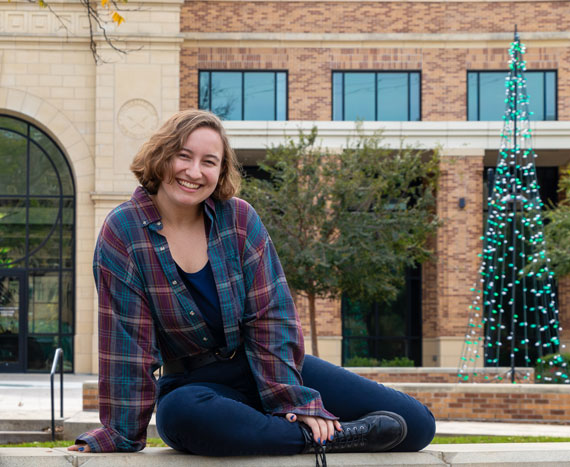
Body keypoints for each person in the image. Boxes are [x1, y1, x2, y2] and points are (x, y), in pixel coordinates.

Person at [68, 109, 435, 463]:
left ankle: (299, 431)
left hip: (268, 364)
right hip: (194, 386)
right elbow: (127, 342)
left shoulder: (239, 219)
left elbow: (272, 316)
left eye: (209, 161)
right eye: (183, 156)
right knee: (183, 417)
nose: (194, 172)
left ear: (221, 170)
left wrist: (293, 400)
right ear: (161, 156)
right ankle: (326, 438)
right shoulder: (124, 231)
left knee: (416, 425)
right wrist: (119, 432)